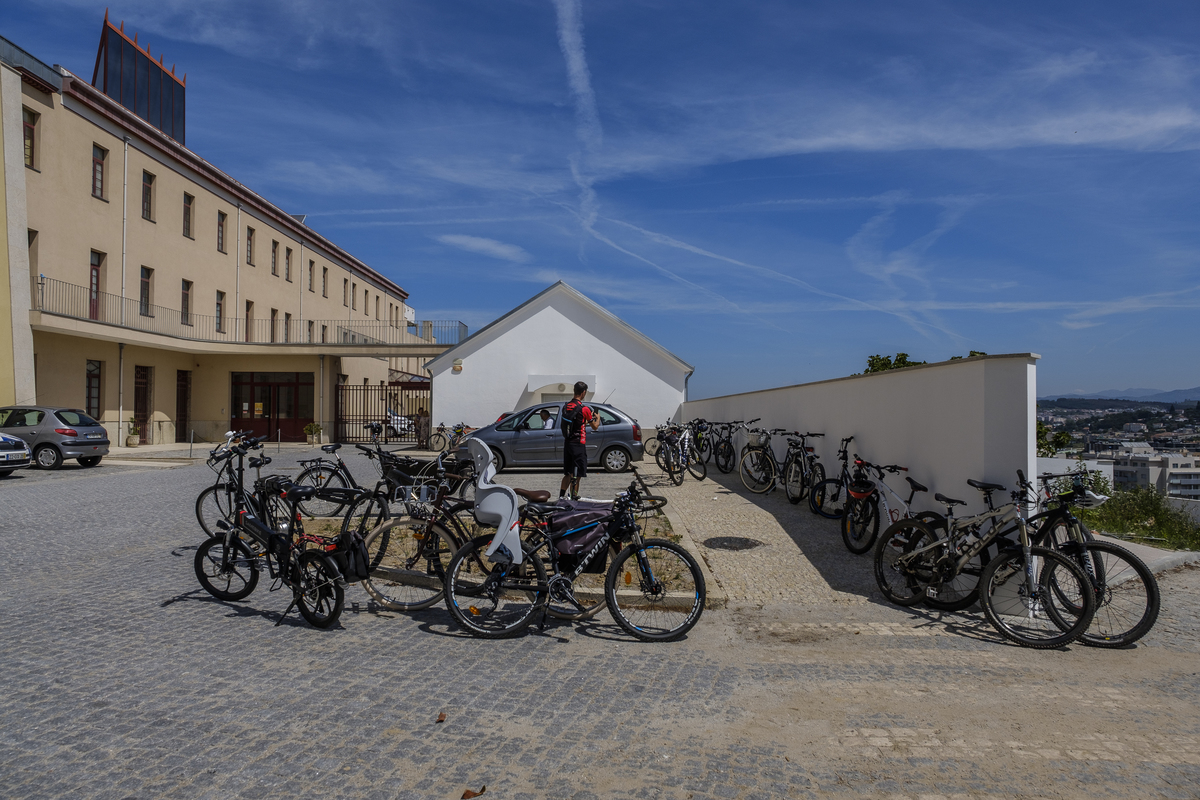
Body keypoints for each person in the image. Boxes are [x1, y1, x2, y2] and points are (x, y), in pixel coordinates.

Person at [560, 381, 600, 500]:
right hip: (579, 445)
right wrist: (597, 419)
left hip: (568, 443)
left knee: (568, 472)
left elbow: (576, 422)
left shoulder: (566, 406)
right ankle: (574, 498)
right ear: (583, 392)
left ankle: (561, 497)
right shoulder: (584, 409)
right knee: (577, 475)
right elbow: (595, 426)